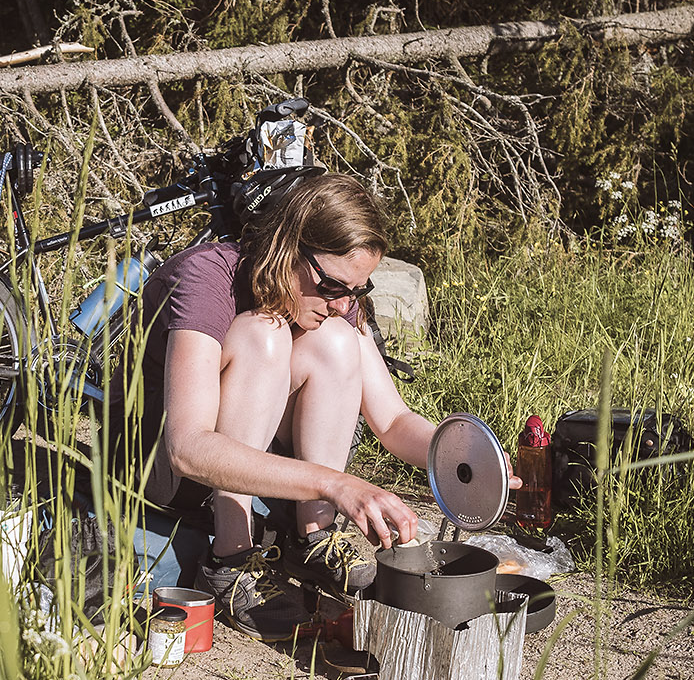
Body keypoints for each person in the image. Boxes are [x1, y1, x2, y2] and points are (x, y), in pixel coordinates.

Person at [108, 171, 514, 641]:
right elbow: (189, 447)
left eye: (357, 292)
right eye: (334, 287)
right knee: (265, 332)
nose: (343, 303)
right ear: (287, 245)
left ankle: (315, 541)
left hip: (242, 462)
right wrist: (335, 484)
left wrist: (469, 458)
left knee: (338, 342)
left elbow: (393, 421)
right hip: (153, 465)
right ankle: (231, 559)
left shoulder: (333, 302)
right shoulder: (207, 278)